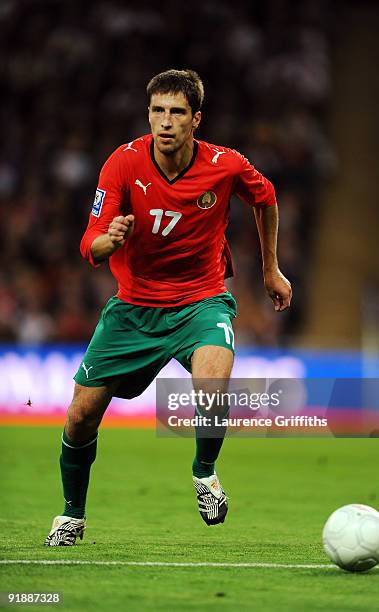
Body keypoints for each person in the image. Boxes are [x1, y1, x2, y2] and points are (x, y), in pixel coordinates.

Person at [45, 69, 292, 546]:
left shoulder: (227, 164)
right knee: (79, 416)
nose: (165, 121)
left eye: (177, 112)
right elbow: (89, 243)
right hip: (134, 309)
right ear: (148, 115)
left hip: (201, 300)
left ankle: (204, 474)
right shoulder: (122, 163)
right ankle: (72, 515)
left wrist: (270, 270)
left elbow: (266, 199)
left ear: (195, 119)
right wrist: (107, 240)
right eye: (157, 111)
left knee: (214, 379)